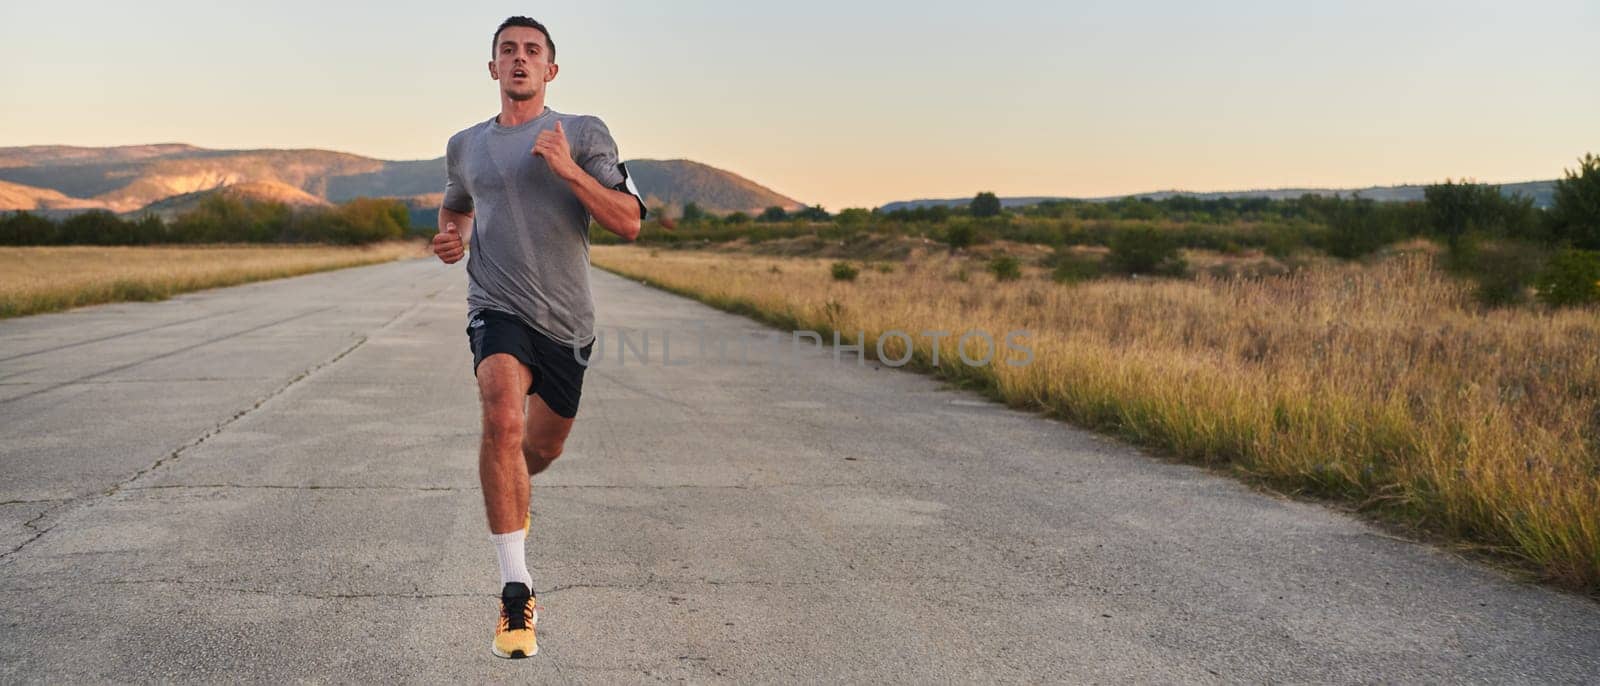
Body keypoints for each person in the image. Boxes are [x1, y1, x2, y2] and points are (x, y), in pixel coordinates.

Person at [431, 15, 646, 659]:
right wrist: (451, 236)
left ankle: (515, 494)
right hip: (495, 305)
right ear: (492, 67)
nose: (519, 60)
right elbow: (457, 202)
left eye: (532, 52)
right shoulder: (465, 144)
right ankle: (515, 588)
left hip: (568, 325)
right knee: (501, 421)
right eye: (508, 51)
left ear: (551, 70)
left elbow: (630, 222)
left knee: (538, 452)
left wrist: (568, 170)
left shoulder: (581, 134)